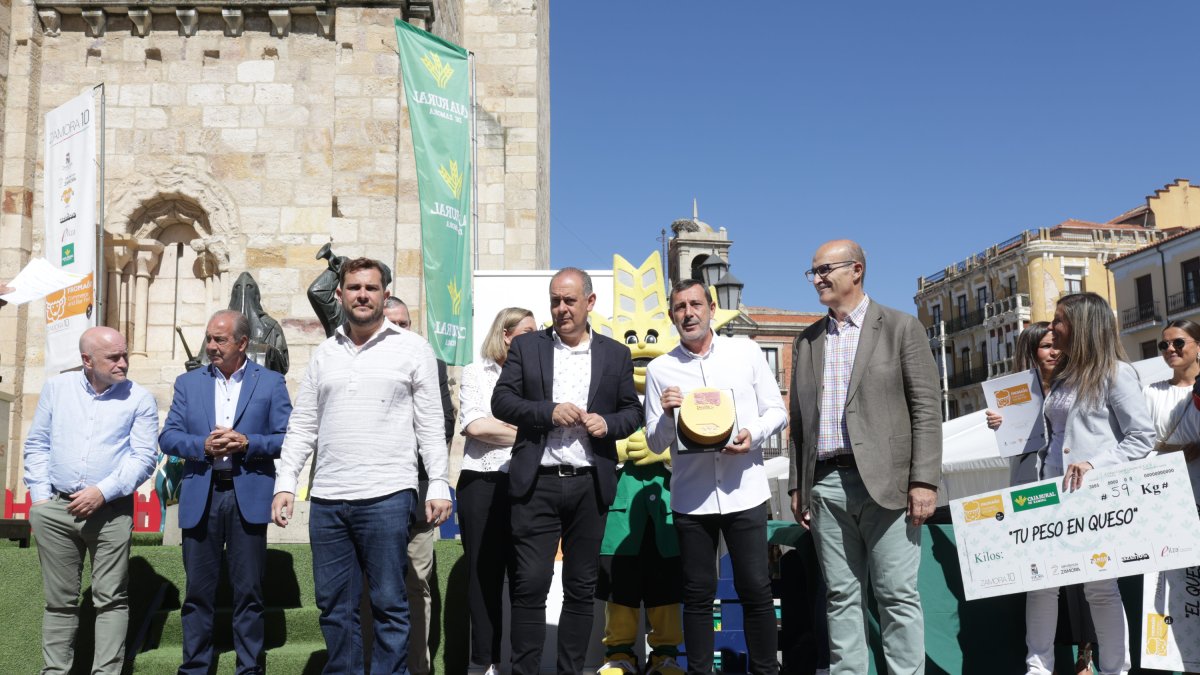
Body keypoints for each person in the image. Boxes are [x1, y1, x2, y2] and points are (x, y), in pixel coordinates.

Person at [272, 257, 453, 673]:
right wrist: (286, 481)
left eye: (371, 288)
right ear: (340, 294)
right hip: (328, 499)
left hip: (388, 495)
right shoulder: (324, 353)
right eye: (354, 288)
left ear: (385, 294)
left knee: (390, 604)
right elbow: (303, 424)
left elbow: (430, 423)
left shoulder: (413, 348)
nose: (362, 295)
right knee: (335, 609)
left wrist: (439, 482)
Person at [788, 239, 942, 675]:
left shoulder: (900, 328)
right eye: (813, 272)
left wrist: (924, 480)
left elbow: (926, 409)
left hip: (890, 485)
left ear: (856, 270)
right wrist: (798, 487)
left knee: (896, 595)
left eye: (824, 269)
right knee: (840, 596)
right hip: (826, 486)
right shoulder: (807, 341)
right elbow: (799, 423)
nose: (817, 278)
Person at [491, 267, 644, 675]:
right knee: (529, 587)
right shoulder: (528, 348)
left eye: (569, 300)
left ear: (590, 302)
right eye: (555, 300)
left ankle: (570, 671)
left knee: (580, 590)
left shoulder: (615, 354)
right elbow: (502, 402)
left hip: (590, 485)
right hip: (536, 484)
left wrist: (608, 424)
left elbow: (633, 412)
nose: (561, 309)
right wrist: (547, 412)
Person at [644, 278, 789, 674]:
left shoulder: (746, 352)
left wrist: (752, 435)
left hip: (745, 490)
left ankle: (765, 670)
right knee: (696, 595)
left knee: (756, 590)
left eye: (695, 304)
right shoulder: (660, 369)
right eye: (679, 307)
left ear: (710, 307)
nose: (688, 313)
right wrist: (668, 413)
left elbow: (777, 412)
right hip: (694, 497)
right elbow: (655, 443)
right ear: (672, 315)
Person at [1023, 292, 1155, 675]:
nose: (1051, 327)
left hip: (1095, 499)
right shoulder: (1063, 377)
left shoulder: (1116, 372)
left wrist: (1095, 464)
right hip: (1049, 495)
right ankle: (1038, 668)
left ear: (1082, 325)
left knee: (1100, 588)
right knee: (1042, 584)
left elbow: (1142, 438)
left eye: (1059, 320)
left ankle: (1116, 670)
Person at [159, 309, 293, 675]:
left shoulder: (270, 383)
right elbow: (168, 436)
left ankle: (249, 669)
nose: (211, 346)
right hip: (202, 494)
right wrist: (203, 445)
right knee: (198, 594)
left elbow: (288, 438)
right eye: (209, 338)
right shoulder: (189, 384)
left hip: (247, 495)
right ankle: (195, 668)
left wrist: (246, 443)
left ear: (243, 343)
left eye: (220, 340)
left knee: (248, 593)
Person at [23, 326, 159, 674]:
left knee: (111, 599)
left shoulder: (139, 398)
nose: (124, 363)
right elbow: (38, 444)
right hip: (55, 508)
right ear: (87, 360)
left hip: (111, 512)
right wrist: (40, 500)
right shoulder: (57, 388)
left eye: (125, 354)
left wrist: (103, 491)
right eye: (114, 357)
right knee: (59, 603)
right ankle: (54, 672)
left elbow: (144, 457)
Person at [986, 322, 1096, 675]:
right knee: (1040, 583)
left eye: (1057, 345)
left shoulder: (1081, 385)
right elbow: (1015, 452)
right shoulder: (1014, 394)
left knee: (1090, 582)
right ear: (1030, 351)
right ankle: (1038, 666)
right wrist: (1000, 426)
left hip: (1077, 491)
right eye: (1046, 346)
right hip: (1031, 493)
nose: (1054, 352)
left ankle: (1088, 658)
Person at [458, 306, 537, 674]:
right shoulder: (477, 373)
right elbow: (474, 425)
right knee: (483, 575)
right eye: (528, 331)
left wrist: (503, 427)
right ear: (506, 335)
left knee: (526, 577)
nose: (538, 338)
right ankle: (483, 664)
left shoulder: (539, 377)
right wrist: (530, 433)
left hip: (530, 482)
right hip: (483, 483)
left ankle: (521, 666)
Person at [381, 295, 456, 675]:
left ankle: (417, 668)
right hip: (373, 493)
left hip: (418, 495)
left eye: (404, 323)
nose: (398, 330)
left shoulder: (433, 364)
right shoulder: (365, 365)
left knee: (416, 585)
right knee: (371, 588)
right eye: (390, 323)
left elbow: (443, 424)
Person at [1142, 320, 1200, 675]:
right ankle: (1166, 661)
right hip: (1163, 494)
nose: (1170, 350)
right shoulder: (1150, 392)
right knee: (1163, 580)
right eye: (1163, 346)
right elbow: (1138, 441)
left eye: (1178, 342)